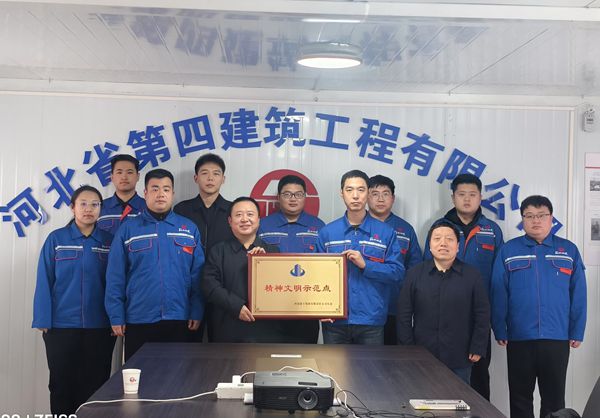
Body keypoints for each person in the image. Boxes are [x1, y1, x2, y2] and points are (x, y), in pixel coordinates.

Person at [491, 195, 587, 418]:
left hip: (557, 337)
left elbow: (579, 294)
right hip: (520, 336)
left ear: (551, 218)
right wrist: (500, 328)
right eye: (530, 216)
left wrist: (577, 331)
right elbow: (498, 291)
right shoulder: (509, 250)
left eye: (542, 215)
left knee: (554, 400)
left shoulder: (568, 250)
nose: (536, 220)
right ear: (523, 219)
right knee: (520, 398)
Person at [105, 168, 205, 361]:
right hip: (138, 317)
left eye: (166, 189)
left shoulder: (188, 229)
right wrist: (116, 314)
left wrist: (196, 310)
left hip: (179, 317)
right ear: (145, 193)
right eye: (155, 189)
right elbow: (115, 276)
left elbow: (197, 275)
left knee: (177, 375)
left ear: (173, 193)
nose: (161, 194)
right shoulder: (128, 229)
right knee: (139, 375)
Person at [32, 186, 115, 415]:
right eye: (83, 204)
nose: (89, 209)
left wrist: (115, 318)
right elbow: (44, 279)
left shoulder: (108, 242)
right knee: (61, 384)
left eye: (95, 205)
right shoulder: (57, 239)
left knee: (97, 385)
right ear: (72, 207)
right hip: (61, 327)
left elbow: (116, 283)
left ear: (101, 209)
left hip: (100, 327)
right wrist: (43, 319)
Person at [424, 173, 503, 399]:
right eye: (461, 194)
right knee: (437, 377)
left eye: (472, 195)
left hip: (479, 317)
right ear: (453, 197)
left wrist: (496, 321)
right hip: (443, 316)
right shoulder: (440, 228)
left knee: (478, 376)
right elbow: (426, 270)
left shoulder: (492, 230)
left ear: (480, 197)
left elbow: (498, 279)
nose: (467, 199)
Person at [316, 170, 403, 345]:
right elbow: (316, 275)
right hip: (335, 320)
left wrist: (366, 265)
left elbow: (397, 273)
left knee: (370, 365)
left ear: (368, 193)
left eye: (361, 190)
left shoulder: (385, 232)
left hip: (371, 320)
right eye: (349, 190)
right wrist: (321, 309)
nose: (355, 196)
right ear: (341, 193)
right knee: (334, 364)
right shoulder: (327, 233)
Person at [397, 221, 490, 384]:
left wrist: (478, 346)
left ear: (458, 246)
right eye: (437, 238)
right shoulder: (414, 274)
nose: (443, 243)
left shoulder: (472, 276)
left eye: (449, 239)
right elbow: (403, 315)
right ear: (430, 245)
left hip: (460, 354)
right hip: (421, 354)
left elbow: (482, 314)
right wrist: (408, 348)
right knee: (421, 398)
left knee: (458, 398)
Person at [201, 197, 289, 343]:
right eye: (238, 215)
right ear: (230, 221)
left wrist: (266, 263)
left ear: (259, 220)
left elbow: (282, 287)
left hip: (266, 330)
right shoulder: (218, 251)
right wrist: (236, 306)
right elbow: (209, 285)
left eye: (250, 214)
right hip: (227, 328)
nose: (244, 219)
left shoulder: (272, 251)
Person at [258, 174, 325, 343]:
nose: (293, 199)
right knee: (270, 354)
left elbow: (326, 267)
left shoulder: (318, 226)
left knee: (305, 354)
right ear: (278, 197)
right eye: (287, 194)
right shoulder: (263, 225)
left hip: (307, 305)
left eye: (298, 194)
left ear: (305, 197)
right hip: (271, 303)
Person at [174, 153, 233, 341]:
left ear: (223, 179)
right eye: (204, 173)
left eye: (216, 174)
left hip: (223, 288)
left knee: (222, 346)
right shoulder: (181, 210)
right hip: (188, 289)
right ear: (196, 178)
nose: (210, 178)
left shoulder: (233, 211)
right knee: (187, 346)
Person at [367, 175, 422, 345]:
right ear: (367, 197)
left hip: (396, 305)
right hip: (365, 307)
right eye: (375, 194)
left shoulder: (405, 230)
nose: (380, 199)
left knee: (394, 355)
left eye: (385, 194)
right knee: (364, 358)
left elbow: (415, 269)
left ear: (393, 198)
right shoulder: (358, 226)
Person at [97, 154, 146, 235]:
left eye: (129, 172)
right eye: (119, 172)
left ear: (138, 176)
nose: (124, 177)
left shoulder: (148, 208)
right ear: (112, 177)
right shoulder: (99, 208)